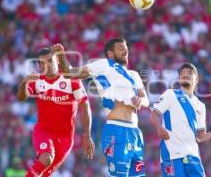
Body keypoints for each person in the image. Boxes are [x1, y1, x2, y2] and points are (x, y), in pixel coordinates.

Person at [51, 38, 149, 176]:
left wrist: (140, 100)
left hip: (135, 132)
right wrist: (61, 56)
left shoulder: (134, 75)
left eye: (126, 48)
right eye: (120, 48)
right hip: (117, 128)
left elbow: (146, 100)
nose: (125, 50)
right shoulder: (104, 65)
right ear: (110, 53)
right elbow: (71, 73)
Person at [17, 47, 95, 177]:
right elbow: (21, 98)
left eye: (50, 60)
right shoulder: (37, 81)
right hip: (44, 131)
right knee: (46, 159)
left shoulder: (72, 80)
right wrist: (25, 82)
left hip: (65, 138)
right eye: (42, 62)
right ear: (40, 65)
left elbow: (85, 106)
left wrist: (87, 135)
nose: (47, 65)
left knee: (43, 174)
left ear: (57, 61)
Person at [150, 62, 211, 177]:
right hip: (173, 154)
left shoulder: (200, 105)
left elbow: (199, 136)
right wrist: (159, 127)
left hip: (193, 155)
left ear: (197, 79)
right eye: (182, 73)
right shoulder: (171, 94)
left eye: (189, 73)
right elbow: (153, 114)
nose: (185, 75)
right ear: (179, 79)